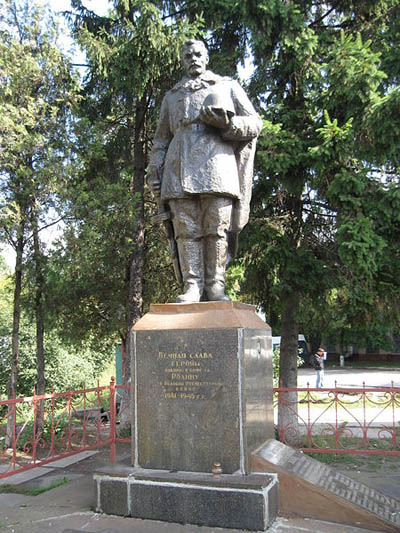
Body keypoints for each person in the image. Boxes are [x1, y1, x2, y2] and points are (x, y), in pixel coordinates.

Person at [147, 39, 263, 303]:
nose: (193, 58)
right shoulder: (172, 96)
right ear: (182, 60)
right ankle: (192, 285)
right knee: (186, 230)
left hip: (217, 165)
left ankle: (215, 285)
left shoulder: (226, 86)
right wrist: (155, 169)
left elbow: (255, 123)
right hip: (178, 169)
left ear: (207, 57)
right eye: (187, 55)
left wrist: (227, 124)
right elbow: (161, 139)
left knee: (216, 228)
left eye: (198, 53)